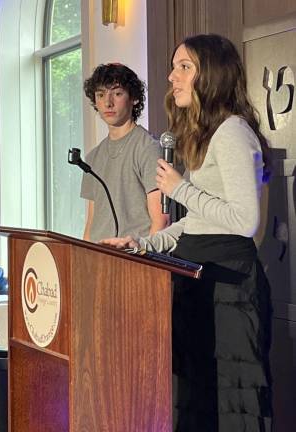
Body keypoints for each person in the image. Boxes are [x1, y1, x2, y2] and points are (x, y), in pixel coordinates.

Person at [101, 35, 272, 431]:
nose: (171, 77)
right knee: (197, 403)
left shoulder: (232, 132)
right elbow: (196, 223)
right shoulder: (210, 135)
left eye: (184, 67)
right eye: (175, 66)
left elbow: (244, 221)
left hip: (227, 289)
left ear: (209, 75)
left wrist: (180, 189)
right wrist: (144, 244)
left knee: (229, 408)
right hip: (198, 282)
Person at [80, 63, 169, 242]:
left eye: (117, 93)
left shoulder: (148, 148)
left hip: (133, 258)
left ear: (134, 98)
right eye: (100, 95)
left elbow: (161, 220)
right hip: (99, 257)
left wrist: (147, 259)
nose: (108, 102)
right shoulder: (93, 157)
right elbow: (91, 223)